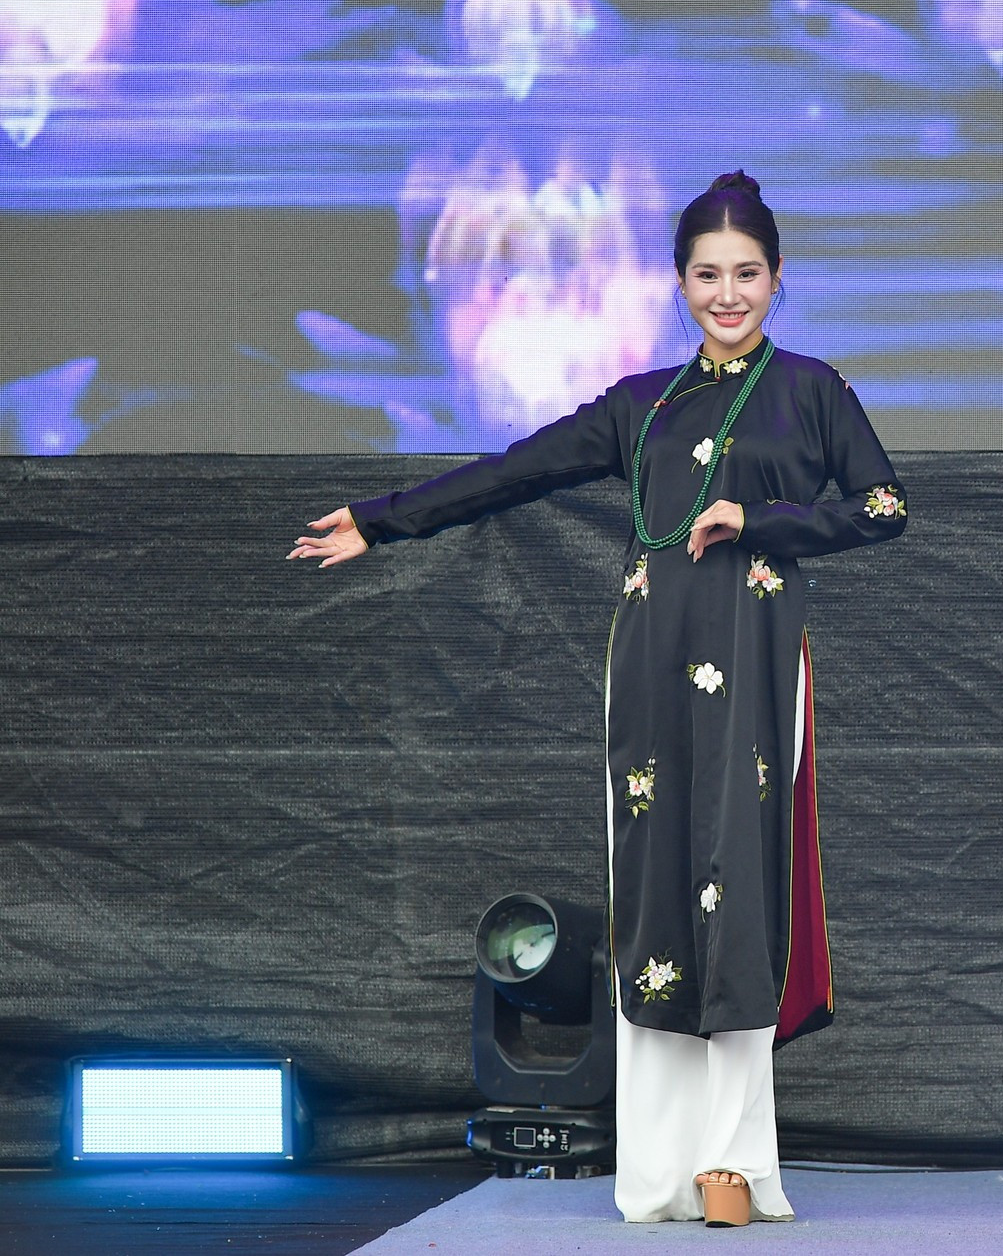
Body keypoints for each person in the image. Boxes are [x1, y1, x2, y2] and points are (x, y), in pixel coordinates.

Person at [289, 170, 909, 1227]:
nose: (727, 294)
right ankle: (662, 1164)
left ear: (776, 278)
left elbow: (886, 505)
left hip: (755, 667)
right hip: (647, 672)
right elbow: (512, 471)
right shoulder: (642, 406)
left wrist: (761, 520)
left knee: (741, 892)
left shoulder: (811, 390)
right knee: (658, 895)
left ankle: (733, 1161)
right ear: (677, 284)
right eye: (707, 276)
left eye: (746, 274)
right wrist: (381, 519)